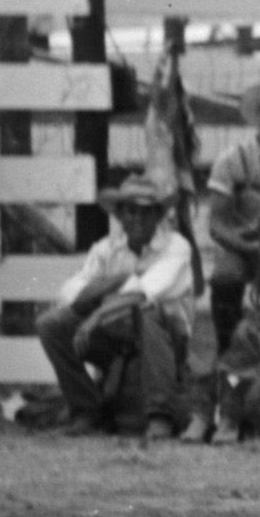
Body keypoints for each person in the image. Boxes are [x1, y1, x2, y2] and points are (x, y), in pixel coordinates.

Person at [37, 175, 196, 437]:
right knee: (52, 324)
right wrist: (117, 280)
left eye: (146, 212)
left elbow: (145, 293)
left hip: (167, 339)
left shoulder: (176, 246)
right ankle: (86, 411)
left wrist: (97, 313)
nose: (137, 219)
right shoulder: (106, 249)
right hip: (117, 337)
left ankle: (160, 415)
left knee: (147, 313)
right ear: (120, 215)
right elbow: (71, 294)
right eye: (131, 211)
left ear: (158, 216)